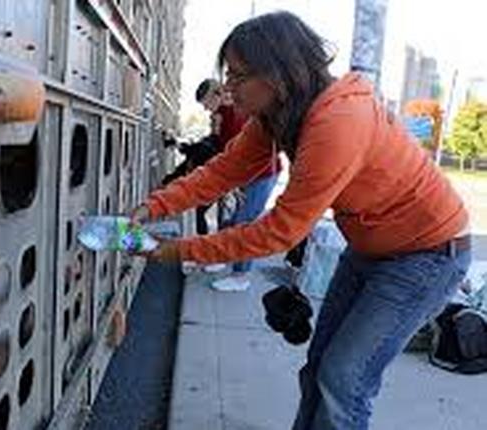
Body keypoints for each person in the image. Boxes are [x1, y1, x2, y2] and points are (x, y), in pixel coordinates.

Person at [131, 11, 471, 430]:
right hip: (370, 250)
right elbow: (222, 171)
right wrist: (155, 206)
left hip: (427, 256)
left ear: (276, 74)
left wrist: (180, 251)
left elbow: (280, 232)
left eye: (238, 76)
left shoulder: (338, 122)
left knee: (343, 381)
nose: (229, 88)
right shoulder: (277, 115)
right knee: (318, 369)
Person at [196, 78, 282, 279]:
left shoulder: (235, 116)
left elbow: (244, 156)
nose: (206, 109)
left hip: (263, 174)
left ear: (218, 95)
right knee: (230, 223)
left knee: (244, 224)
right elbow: (227, 155)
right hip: (248, 175)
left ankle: (240, 276)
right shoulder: (223, 115)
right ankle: (223, 259)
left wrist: (233, 185)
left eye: (207, 103)